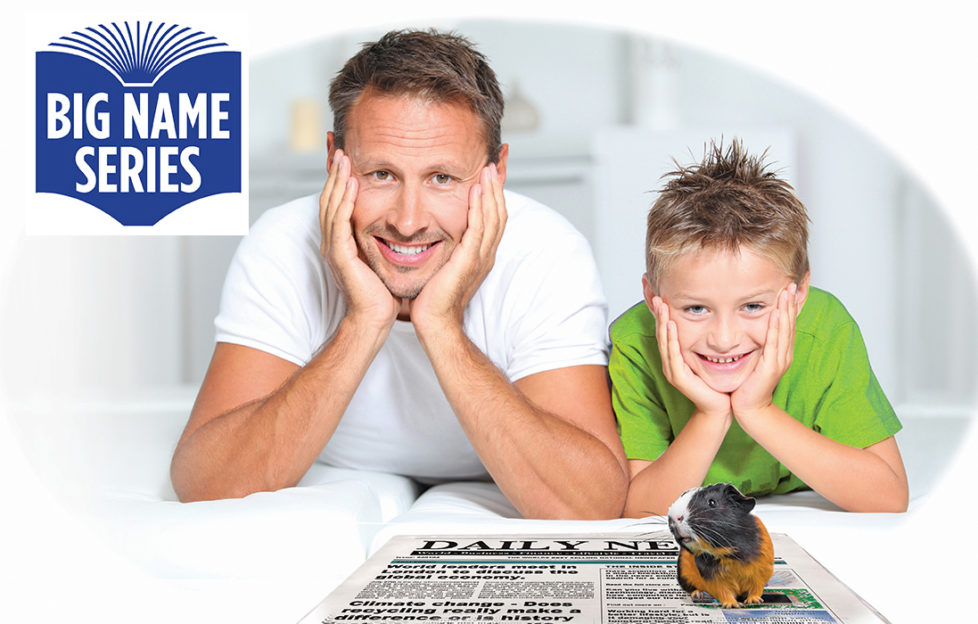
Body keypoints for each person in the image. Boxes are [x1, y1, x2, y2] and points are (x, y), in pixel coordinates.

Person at [169, 29, 628, 519]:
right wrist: (364, 319)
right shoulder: (283, 244)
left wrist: (441, 323)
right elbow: (206, 484)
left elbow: (590, 503)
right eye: (381, 174)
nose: (408, 222)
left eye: (442, 178)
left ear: (497, 172)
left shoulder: (546, 253)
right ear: (333, 161)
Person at [610, 139, 908, 516]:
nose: (724, 339)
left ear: (798, 295)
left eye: (752, 306)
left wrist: (758, 409)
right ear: (654, 299)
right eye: (696, 308)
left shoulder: (826, 328)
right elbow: (641, 510)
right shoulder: (635, 340)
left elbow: (889, 497)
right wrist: (711, 414)